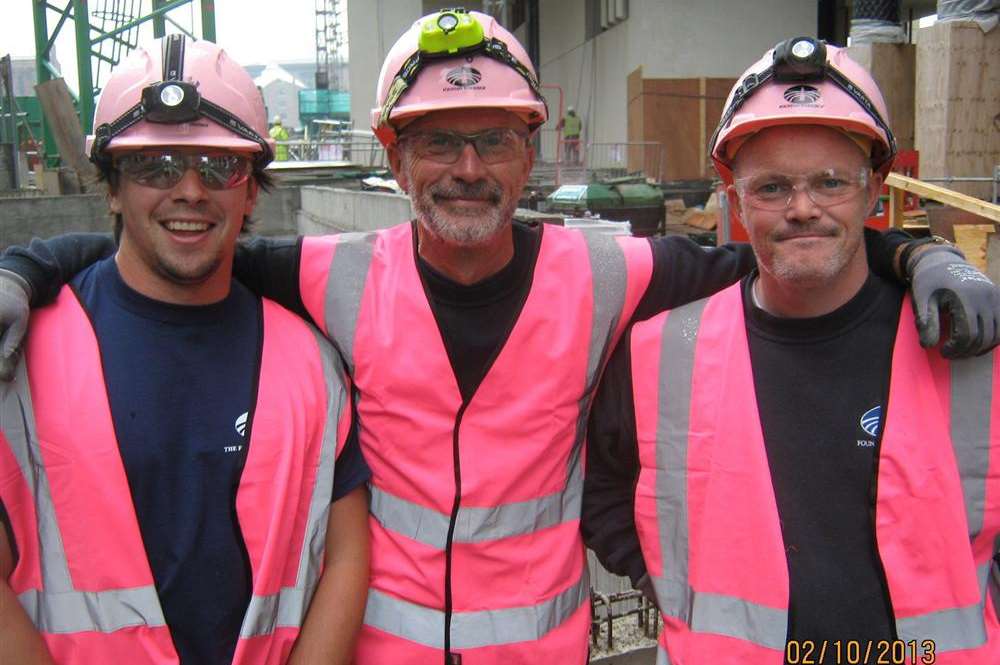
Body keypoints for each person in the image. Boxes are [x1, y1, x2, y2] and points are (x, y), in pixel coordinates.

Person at [0, 11, 996, 664]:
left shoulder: (612, 272)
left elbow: (791, 247)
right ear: (393, 157)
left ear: (533, 152)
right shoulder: (326, 277)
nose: (466, 167)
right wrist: (24, 268)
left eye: (494, 139)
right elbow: (170, 246)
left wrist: (919, 257)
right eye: (438, 139)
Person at [583, 38, 1000, 664]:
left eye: (830, 182)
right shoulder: (660, 354)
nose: (803, 209)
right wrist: (663, 582)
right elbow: (600, 484)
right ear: (735, 197)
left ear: (873, 189)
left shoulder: (963, 346)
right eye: (773, 187)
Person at [0, 35, 370, 665]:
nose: (191, 191)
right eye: (157, 166)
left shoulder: (309, 359)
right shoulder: (25, 353)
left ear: (252, 190)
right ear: (112, 188)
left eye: (219, 166)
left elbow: (347, 556)